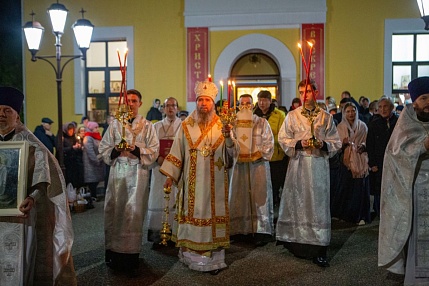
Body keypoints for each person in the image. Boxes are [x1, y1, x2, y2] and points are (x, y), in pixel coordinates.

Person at [160, 79, 238, 274]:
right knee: (192, 212)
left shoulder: (223, 125)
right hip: (191, 182)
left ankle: (213, 259)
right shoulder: (186, 125)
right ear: (196, 102)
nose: (204, 104)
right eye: (201, 100)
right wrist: (170, 175)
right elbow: (178, 151)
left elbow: (232, 154)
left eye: (207, 100)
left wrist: (228, 137)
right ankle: (191, 256)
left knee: (213, 215)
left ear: (213, 103)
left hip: (215, 183)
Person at [0, 87, 76, 284]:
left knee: (19, 266)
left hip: (21, 215)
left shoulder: (32, 144)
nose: (1, 114)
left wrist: (31, 198)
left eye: (7, 110)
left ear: (17, 115)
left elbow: (45, 180)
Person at [276, 79, 341, 267]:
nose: (305, 95)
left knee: (317, 206)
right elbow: (282, 138)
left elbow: (336, 142)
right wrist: (298, 143)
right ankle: (296, 243)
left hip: (319, 166)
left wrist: (324, 144)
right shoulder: (292, 116)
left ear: (316, 92)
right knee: (298, 203)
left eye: (309, 91)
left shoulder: (326, 117)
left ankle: (320, 248)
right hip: (298, 165)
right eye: (302, 91)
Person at [99, 89, 159, 276]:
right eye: (128, 101)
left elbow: (154, 150)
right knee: (115, 212)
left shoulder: (148, 126)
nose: (131, 104)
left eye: (134, 101)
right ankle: (113, 255)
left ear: (140, 103)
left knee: (133, 215)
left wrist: (136, 150)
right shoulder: (115, 125)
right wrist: (116, 150)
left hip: (138, 174)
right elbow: (103, 148)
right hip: (117, 174)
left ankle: (131, 257)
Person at [378, 77, 429, 284]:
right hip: (415, 186)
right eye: (424, 98)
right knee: (418, 233)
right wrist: (424, 146)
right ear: (414, 101)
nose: (428, 102)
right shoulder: (406, 121)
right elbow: (395, 154)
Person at [229, 94, 274, 246]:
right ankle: (240, 230)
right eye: (242, 104)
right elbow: (230, 145)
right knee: (239, 196)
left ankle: (260, 231)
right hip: (239, 167)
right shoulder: (232, 123)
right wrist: (237, 154)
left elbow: (269, 143)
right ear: (238, 105)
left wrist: (258, 154)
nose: (245, 106)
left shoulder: (261, 122)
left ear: (253, 105)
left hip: (258, 166)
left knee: (259, 196)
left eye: (248, 104)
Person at [147, 97, 181, 247]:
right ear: (163, 109)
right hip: (159, 167)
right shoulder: (156, 127)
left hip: (176, 170)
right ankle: (157, 235)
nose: (170, 108)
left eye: (173, 105)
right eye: (167, 106)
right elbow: (151, 147)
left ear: (177, 108)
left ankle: (175, 234)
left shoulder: (184, 126)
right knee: (158, 198)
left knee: (175, 198)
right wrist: (158, 158)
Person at [333, 102, 371, 225]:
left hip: (360, 161)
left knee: (360, 189)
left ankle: (361, 215)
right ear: (344, 113)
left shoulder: (363, 126)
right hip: (347, 162)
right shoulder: (340, 127)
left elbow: (367, 141)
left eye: (353, 111)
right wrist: (343, 144)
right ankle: (347, 215)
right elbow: (336, 145)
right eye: (348, 111)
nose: (351, 114)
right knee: (347, 188)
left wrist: (363, 146)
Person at [254, 90, 286, 209]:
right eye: (259, 100)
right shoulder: (254, 115)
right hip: (258, 156)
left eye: (264, 100)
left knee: (274, 184)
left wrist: (267, 140)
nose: (261, 103)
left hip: (275, 157)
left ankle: (274, 208)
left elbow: (283, 135)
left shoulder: (280, 115)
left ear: (270, 101)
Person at [366, 97, 398, 217]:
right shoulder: (374, 124)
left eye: (386, 106)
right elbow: (370, 144)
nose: (383, 109)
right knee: (380, 189)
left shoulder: (398, 122)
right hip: (379, 163)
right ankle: (381, 215)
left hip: (395, 162)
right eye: (380, 107)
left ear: (391, 108)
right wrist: (372, 163)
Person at [82, 121, 104, 205]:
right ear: (91, 128)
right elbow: (90, 151)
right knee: (92, 181)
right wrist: (96, 160)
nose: (97, 129)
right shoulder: (88, 138)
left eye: (97, 127)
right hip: (91, 164)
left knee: (95, 180)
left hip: (97, 162)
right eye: (95, 127)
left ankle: (94, 196)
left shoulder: (96, 137)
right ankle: (92, 196)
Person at [61, 122, 85, 190]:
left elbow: (76, 145)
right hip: (67, 162)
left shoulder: (73, 137)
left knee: (75, 179)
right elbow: (60, 149)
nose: (71, 132)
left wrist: (78, 147)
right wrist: (72, 147)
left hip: (74, 161)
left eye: (72, 130)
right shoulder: (62, 138)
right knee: (68, 178)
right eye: (69, 130)